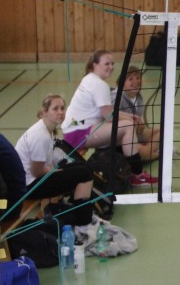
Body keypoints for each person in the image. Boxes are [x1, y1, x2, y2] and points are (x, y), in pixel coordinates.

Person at [61, 50, 157, 186]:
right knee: (128, 127)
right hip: (79, 133)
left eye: (112, 64)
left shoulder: (89, 78)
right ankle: (137, 175)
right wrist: (130, 120)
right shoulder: (99, 85)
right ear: (95, 65)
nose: (111, 67)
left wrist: (130, 116)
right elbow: (109, 117)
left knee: (125, 128)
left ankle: (121, 169)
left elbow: (105, 113)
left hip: (74, 128)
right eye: (106, 64)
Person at [15, 94, 96, 224]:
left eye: (62, 108)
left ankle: (77, 212)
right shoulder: (40, 136)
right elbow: (36, 171)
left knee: (84, 167)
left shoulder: (48, 130)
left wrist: (53, 169)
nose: (60, 112)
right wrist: (53, 170)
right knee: (84, 174)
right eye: (55, 109)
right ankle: (83, 220)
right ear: (45, 112)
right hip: (29, 186)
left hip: (36, 178)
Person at [118, 65, 161, 162]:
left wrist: (140, 126)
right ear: (123, 83)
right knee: (139, 150)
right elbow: (111, 116)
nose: (135, 81)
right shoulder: (117, 98)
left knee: (161, 132)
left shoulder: (138, 98)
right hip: (123, 140)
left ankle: (148, 152)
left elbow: (139, 123)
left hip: (137, 134)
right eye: (130, 79)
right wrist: (133, 121)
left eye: (138, 78)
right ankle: (154, 154)